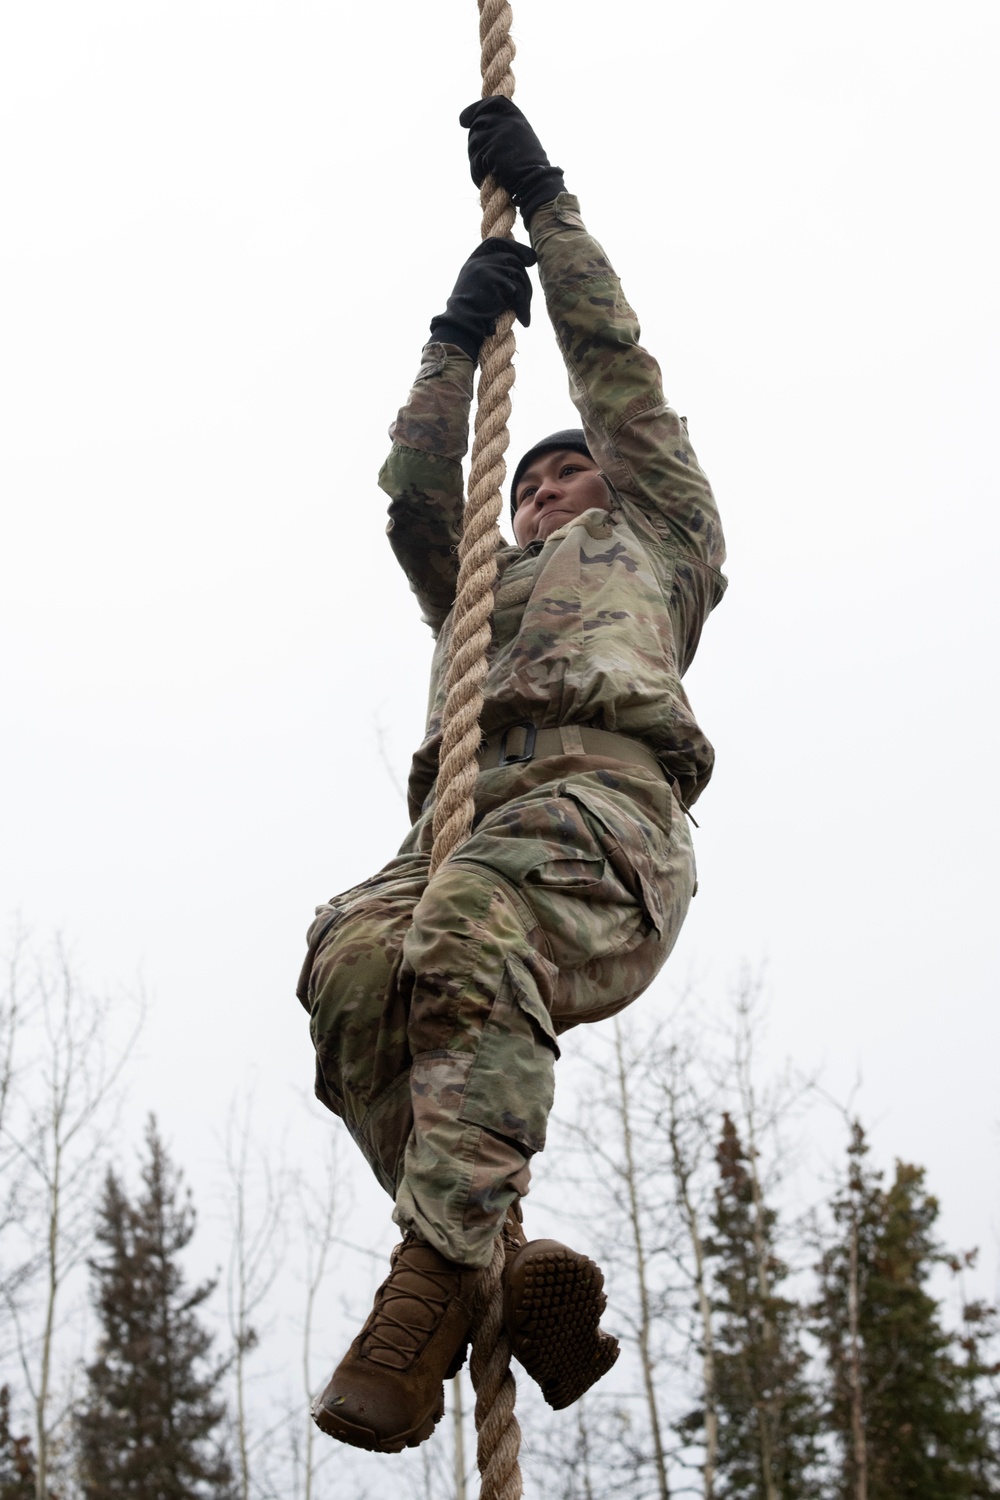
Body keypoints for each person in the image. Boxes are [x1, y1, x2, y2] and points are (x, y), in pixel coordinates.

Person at [298, 99, 727, 1454]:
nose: (544, 486)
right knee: (354, 963)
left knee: (470, 916)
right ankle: (488, 1268)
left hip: (597, 815)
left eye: (567, 468)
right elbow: (420, 501)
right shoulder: (475, 599)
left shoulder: (662, 539)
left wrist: (547, 212)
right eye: (530, 479)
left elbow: (617, 371)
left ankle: (425, 1298)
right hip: (459, 828)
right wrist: (450, 340)